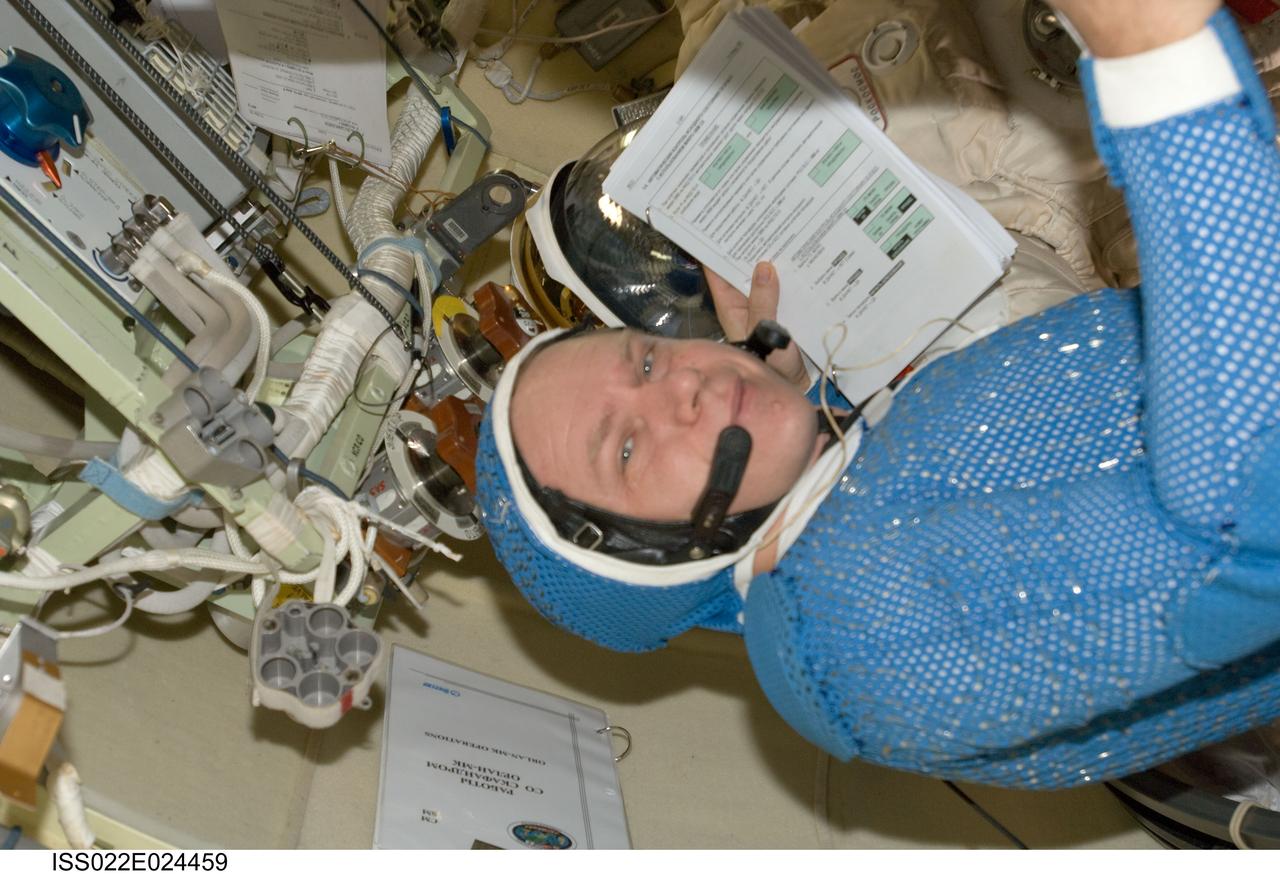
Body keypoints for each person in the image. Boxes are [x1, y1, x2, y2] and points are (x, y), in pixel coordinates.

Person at [475, 0, 1280, 788]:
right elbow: (1240, 533)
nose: (683, 387)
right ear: (647, 558)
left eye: (647, 363)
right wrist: (1158, 58)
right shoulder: (863, 645)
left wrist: (807, 393)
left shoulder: (828, 547)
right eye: (626, 448)